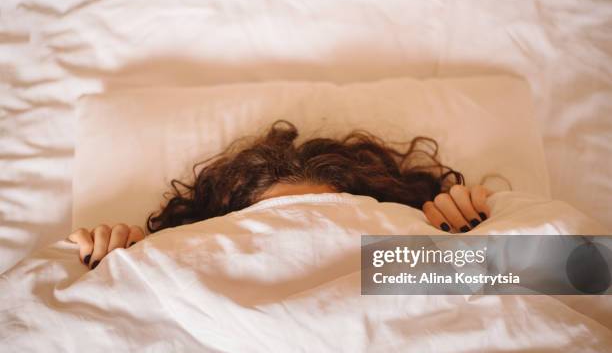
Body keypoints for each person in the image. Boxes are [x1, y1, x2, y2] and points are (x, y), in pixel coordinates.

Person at [69, 120, 491, 269]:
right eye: (271, 225)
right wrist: (116, 274)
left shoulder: (392, 268)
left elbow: (555, 272)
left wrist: (485, 241)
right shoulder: (202, 272)